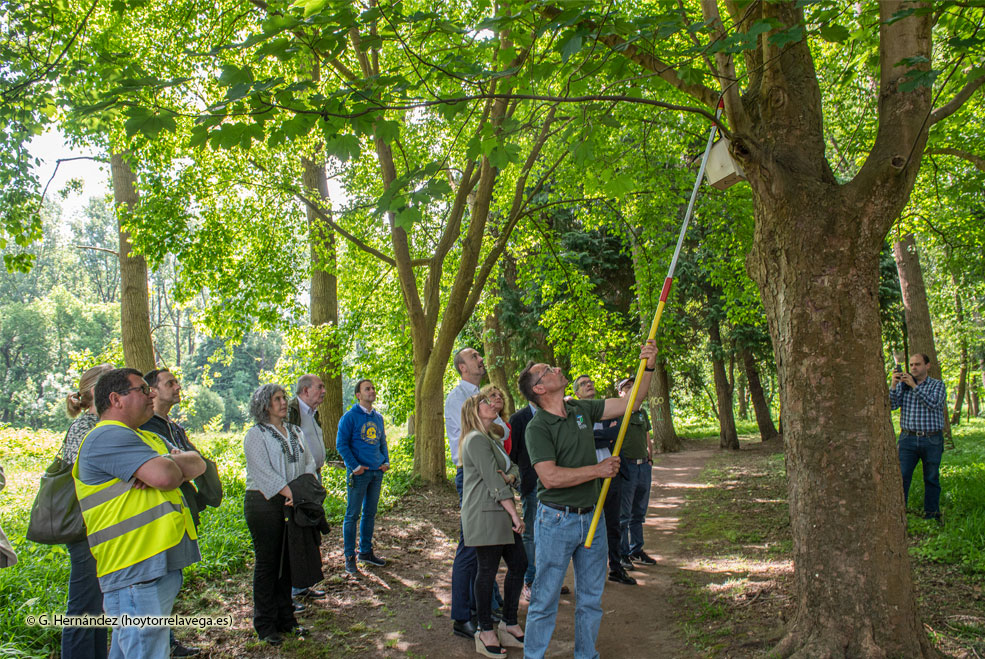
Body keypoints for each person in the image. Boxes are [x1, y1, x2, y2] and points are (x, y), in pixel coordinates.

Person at [520, 340, 658, 659]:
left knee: (591, 599)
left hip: (591, 520)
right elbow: (550, 478)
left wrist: (648, 367)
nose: (555, 368)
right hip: (556, 521)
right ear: (539, 388)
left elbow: (632, 402)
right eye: (546, 370)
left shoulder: (581, 409)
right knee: (545, 599)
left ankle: (586, 654)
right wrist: (597, 470)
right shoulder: (538, 427)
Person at [73, 368, 204, 659]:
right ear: (116, 399)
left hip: (150, 566)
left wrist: (166, 463)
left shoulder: (144, 438)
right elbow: (166, 477)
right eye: (143, 390)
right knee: (145, 651)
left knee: (132, 650)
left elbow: (198, 464)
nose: (152, 394)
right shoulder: (106, 436)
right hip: (135, 567)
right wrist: (167, 466)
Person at [142, 368, 223, 658]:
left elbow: (196, 463)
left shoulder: (174, 427)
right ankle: (158, 645)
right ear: (151, 391)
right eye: (170, 383)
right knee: (160, 582)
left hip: (181, 512)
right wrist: (184, 463)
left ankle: (167, 642)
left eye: (177, 382)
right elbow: (172, 469)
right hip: (158, 517)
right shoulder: (145, 428)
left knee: (170, 579)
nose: (178, 387)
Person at [243, 383, 318, 646]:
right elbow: (262, 471)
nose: (283, 402)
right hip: (264, 503)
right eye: (277, 399)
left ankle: (287, 619)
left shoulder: (296, 431)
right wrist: (289, 492)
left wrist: (300, 492)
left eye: (284, 397)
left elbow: (309, 462)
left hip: (292, 501)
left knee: (289, 560)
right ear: (265, 405)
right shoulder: (256, 435)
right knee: (268, 564)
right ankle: (265, 624)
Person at [446, 348, 508, 639]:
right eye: (474, 357)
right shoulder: (456, 398)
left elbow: (504, 431)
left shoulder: (482, 397)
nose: (481, 359)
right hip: (471, 476)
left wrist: (492, 420)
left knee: (488, 546)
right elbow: (471, 434)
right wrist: (492, 423)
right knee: (470, 545)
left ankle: (485, 605)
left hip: (492, 472)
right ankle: (462, 617)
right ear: (462, 366)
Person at [460, 394, 527, 657]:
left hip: (500, 511)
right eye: (485, 402)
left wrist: (510, 476)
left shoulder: (492, 438)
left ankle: (509, 623)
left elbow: (514, 470)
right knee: (486, 571)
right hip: (485, 513)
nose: (491, 403)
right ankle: (484, 630)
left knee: (519, 564)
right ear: (474, 411)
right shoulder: (475, 439)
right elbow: (493, 481)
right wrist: (515, 515)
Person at [59, 363, 111, 659]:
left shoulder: (98, 425)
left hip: (98, 525)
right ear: (94, 391)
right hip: (83, 528)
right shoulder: (84, 427)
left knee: (96, 606)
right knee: (82, 607)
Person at [572, 374, 636, 586]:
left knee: (613, 521)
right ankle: (591, 572)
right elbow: (583, 436)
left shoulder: (608, 408)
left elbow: (619, 431)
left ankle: (615, 567)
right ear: (576, 393)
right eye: (583, 384)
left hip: (612, 472)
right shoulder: (577, 413)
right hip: (589, 474)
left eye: (590, 382)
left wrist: (602, 436)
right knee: (590, 523)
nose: (588, 385)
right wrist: (604, 436)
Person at [336, 378, 390, 575]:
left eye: (373, 387)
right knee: (352, 515)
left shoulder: (378, 418)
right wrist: (355, 466)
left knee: (370, 514)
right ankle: (349, 557)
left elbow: (382, 441)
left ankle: (365, 552)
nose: (372, 391)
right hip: (359, 474)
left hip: (377, 472)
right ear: (358, 395)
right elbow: (341, 444)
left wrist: (386, 461)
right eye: (367, 389)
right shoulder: (350, 417)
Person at [889, 353, 947, 521]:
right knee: (902, 476)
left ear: (927, 366)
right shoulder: (903, 386)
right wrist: (894, 385)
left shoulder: (937, 385)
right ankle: (900, 515)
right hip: (908, 439)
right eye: (912, 365)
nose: (914, 367)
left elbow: (933, 404)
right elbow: (892, 405)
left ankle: (932, 515)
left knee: (931, 477)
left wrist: (914, 386)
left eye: (918, 364)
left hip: (932, 439)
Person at [287, 374, 328, 602]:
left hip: (313, 477)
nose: (323, 391)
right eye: (319, 387)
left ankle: (304, 584)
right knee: (298, 533)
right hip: (298, 481)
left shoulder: (313, 413)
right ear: (305, 390)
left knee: (310, 532)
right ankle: (294, 589)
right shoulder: (293, 412)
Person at [614, 377, 656, 567]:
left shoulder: (642, 413)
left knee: (639, 512)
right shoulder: (617, 413)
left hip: (643, 467)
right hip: (627, 467)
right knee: (624, 513)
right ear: (620, 393)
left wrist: (649, 459)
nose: (631, 389)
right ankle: (622, 553)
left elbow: (647, 436)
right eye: (627, 387)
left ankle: (636, 549)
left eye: (633, 386)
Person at [508, 399, 538, 602]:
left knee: (551, 533)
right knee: (531, 534)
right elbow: (513, 454)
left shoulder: (555, 412)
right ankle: (531, 581)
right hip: (532, 484)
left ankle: (547, 579)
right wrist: (521, 479)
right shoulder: (518, 418)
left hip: (556, 485)